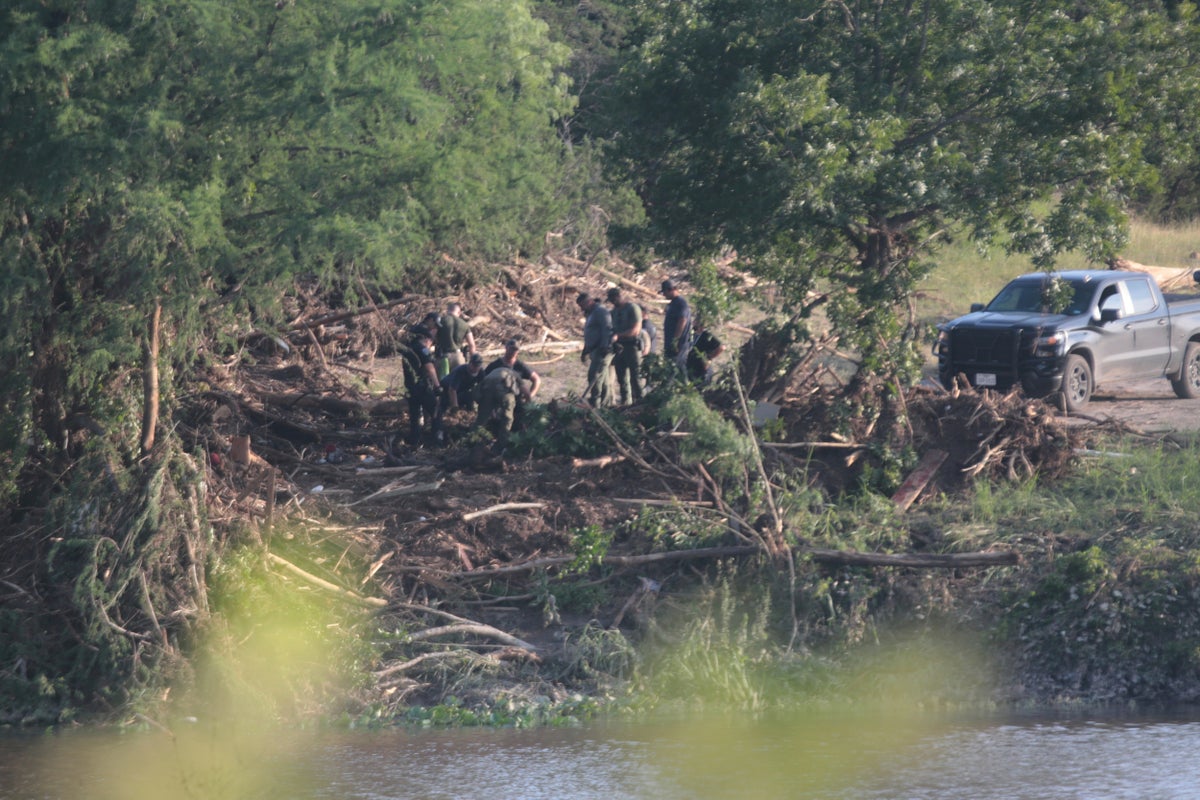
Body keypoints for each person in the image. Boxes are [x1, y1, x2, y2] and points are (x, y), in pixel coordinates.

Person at [401, 325, 442, 446]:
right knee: (436, 411)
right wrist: (437, 385)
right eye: (431, 342)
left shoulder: (407, 349)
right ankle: (437, 440)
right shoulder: (422, 350)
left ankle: (415, 441)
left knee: (415, 416)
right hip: (423, 387)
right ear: (426, 339)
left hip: (410, 387)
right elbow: (429, 368)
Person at [607, 287, 643, 405]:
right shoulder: (614, 312)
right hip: (619, 348)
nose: (612, 302)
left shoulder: (632, 308)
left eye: (613, 299)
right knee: (622, 378)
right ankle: (625, 403)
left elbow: (635, 330)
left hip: (631, 346)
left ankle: (640, 402)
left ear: (618, 297)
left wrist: (618, 335)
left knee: (636, 377)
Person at [577, 293, 614, 407]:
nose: (581, 308)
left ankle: (596, 403)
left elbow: (607, 330)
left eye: (582, 305)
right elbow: (589, 333)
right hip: (594, 350)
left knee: (594, 376)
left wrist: (604, 347)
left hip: (602, 350)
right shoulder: (591, 313)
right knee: (603, 379)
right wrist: (585, 350)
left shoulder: (601, 311)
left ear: (589, 302)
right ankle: (606, 403)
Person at [434, 302, 476, 378]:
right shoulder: (464, 324)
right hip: (458, 357)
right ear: (459, 312)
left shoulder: (441, 321)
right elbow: (472, 345)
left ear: (447, 310)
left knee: (442, 383)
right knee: (458, 384)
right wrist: (473, 362)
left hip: (442, 357)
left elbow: (432, 336)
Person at [661, 279, 693, 371]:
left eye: (665, 292)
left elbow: (682, 320)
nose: (664, 295)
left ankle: (685, 384)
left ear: (670, 290)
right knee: (670, 368)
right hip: (670, 342)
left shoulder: (680, 303)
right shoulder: (673, 303)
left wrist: (675, 341)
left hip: (679, 344)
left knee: (676, 368)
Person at [686, 318, 725, 385]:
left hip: (701, 367)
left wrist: (709, 357)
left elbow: (721, 347)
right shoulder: (691, 333)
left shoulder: (706, 335)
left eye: (697, 322)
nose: (694, 323)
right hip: (690, 363)